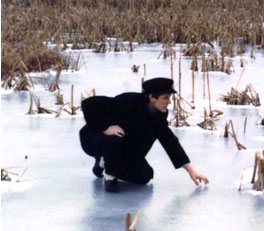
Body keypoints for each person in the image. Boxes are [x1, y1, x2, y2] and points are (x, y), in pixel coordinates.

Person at [79, 77, 209, 193]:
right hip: (94, 139)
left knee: (144, 176)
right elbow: (88, 104)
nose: (169, 102)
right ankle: (110, 176)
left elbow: (169, 141)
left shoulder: (159, 114)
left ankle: (102, 163)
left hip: (120, 146)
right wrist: (105, 128)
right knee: (115, 137)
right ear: (152, 97)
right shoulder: (128, 101)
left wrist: (191, 171)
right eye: (166, 98)